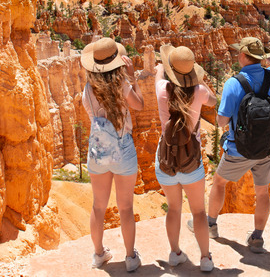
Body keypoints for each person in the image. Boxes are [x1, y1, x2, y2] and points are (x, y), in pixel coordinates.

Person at [201, 37, 270, 254]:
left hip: (239, 148)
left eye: (240, 52)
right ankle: (257, 239)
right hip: (267, 146)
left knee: (219, 183)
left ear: (244, 56)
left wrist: (228, 127)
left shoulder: (233, 83)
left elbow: (221, 120)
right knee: (262, 192)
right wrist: (267, 54)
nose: (237, 55)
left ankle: (210, 226)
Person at [80, 37, 145, 271]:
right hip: (123, 148)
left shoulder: (87, 89)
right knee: (125, 207)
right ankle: (130, 258)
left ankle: (98, 255)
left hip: (98, 150)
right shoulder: (121, 85)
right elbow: (139, 105)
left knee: (98, 206)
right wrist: (132, 77)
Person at [154, 45, 217, 272]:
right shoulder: (199, 91)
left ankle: (175, 254)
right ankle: (205, 259)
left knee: (174, 209)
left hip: (166, 159)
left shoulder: (161, 88)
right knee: (199, 211)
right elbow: (212, 100)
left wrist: (163, 66)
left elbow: (159, 74)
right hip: (192, 161)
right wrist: (200, 80)